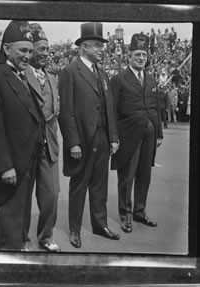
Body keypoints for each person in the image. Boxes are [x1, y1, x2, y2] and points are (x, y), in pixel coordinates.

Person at [0, 23, 61, 252]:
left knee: (16, 219)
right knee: (10, 221)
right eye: (22, 50)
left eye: (30, 51)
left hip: (26, 161)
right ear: (6, 49)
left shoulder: (19, 75)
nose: (28, 56)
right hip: (12, 164)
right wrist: (4, 167)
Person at [58, 22, 120, 249]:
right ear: (83, 47)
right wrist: (73, 142)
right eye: (96, 46)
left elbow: (109, 107)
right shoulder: (70, 71)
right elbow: (66, 112)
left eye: (101, 46)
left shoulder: (102, 74)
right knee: (79, 186)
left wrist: (113, 137)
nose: (101, 49)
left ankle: (99, 224)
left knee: (100, 185)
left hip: (102, 138)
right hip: (82, 141)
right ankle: (75, 229)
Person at [110, 33, 164, 234]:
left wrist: (159, 133)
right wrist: (113, 137)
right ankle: (126, 216)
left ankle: (140, 212)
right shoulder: (119, 79)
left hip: (149, 136)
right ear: (129, 56)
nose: (141, 58)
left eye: (144, 54)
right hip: (128, 136)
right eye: (137, 54)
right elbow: (113, 110)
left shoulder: (151, 80)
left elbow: (155, 108)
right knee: (127, 177)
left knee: (144, 175)